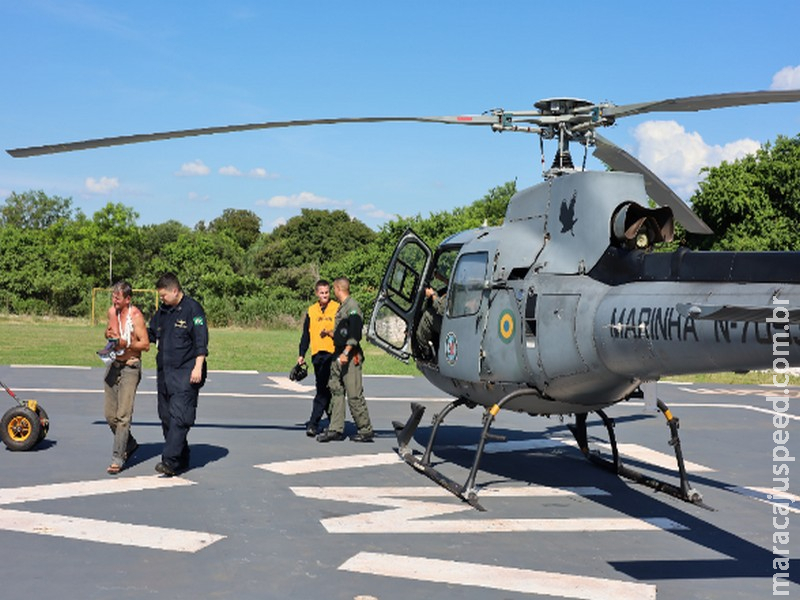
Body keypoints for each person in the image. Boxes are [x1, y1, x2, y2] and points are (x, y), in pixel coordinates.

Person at [147, 273, 208, 476]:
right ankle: (181, 456)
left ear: (175, 290)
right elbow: (151, 333)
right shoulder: (163, 311)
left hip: (187, 371)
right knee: (165, 416)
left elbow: (201, 341)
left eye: (164, 295)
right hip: (165, 372)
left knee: (180, 417)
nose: (161, 298)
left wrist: (198, 367)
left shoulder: (193, 309)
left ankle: (170, 461)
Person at [317, 277, 374, 442]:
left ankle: (365, 429)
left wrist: (346, 353)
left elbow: (355, 333)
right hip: (339, 353)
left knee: (354, 393)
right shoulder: (343, 308)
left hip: (349, 356)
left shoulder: (352, 307)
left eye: (333, 289)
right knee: (336, 390)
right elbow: (343, 333)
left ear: (338, 288)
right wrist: (329, 333)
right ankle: (335, 428)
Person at [103, 281, 150, 474]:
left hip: (130, 366)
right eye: (113, 296)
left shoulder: (136, 316)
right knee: (109, 415)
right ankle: (129, 443)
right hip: (114, 364)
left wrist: (126, 344)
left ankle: (117, 457)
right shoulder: (112, 312)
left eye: (118, 297)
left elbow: (145, 345)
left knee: (123, 416)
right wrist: (108, 335)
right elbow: (108, 332)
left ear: (128, 299)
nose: (114, 300)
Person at [297, 279, 340, 437]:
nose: (324, 295)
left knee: (324, 390)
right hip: (317, 355)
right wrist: (301, 354)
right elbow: (306, 335)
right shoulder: (311, 310)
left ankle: (313, 423)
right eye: (321, 293)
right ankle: (335, 422)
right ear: (316, 293)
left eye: (327, 292)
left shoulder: (336, 307)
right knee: (323, 389)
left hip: (332, 354)